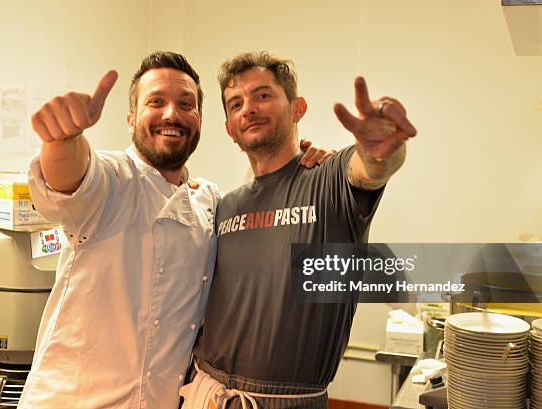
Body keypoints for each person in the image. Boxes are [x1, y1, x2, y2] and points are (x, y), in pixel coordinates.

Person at [19, 51, 331, 409]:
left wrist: (305, 165)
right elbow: (68, 181)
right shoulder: (110, 179)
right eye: (156, 102)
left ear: (200, 119)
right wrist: (62, 139)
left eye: (186, 104)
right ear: (131, 117)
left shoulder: (211, 201)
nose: (172, 114)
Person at [182, 52, 417, 409]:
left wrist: (381, 150)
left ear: (297, 108)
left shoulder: (329, 178)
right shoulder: (225, 206)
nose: (249, 108)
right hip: (207, 393)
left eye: (263, 95)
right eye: (236, 103)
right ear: (230, 128)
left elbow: (370, 167)